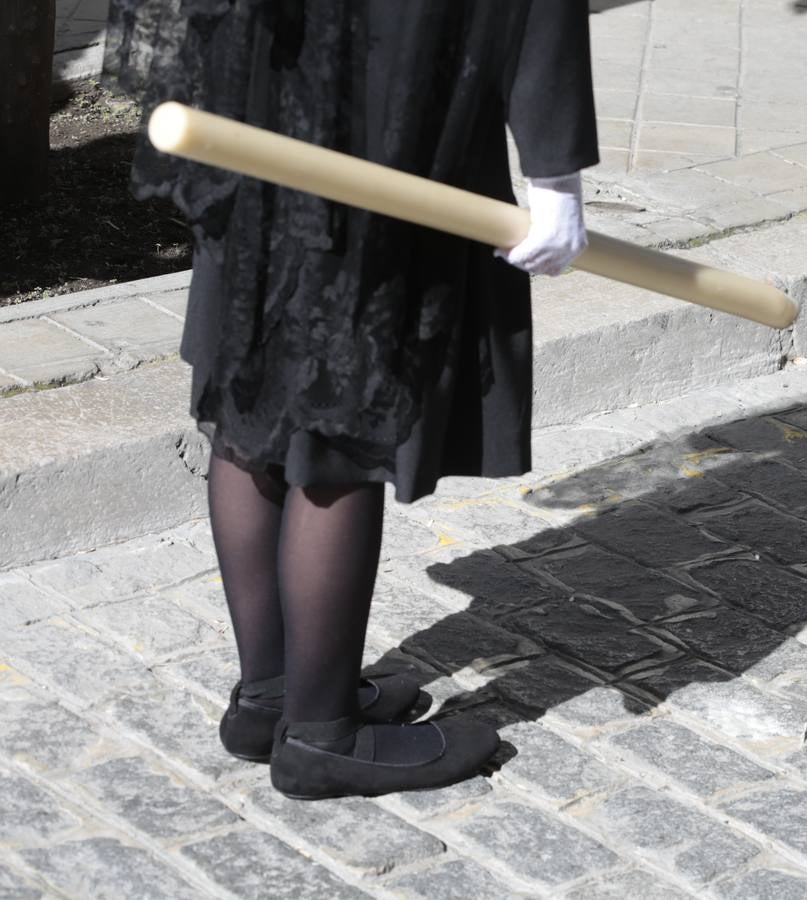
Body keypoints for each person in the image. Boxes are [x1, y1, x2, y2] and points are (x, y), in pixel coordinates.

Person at [125, 0, 599, 800]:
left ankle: (272, 693)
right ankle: (319, 735)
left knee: (262, 369)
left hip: (262, 83)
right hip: (391, 96)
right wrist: (553, 166)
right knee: (341, 402)